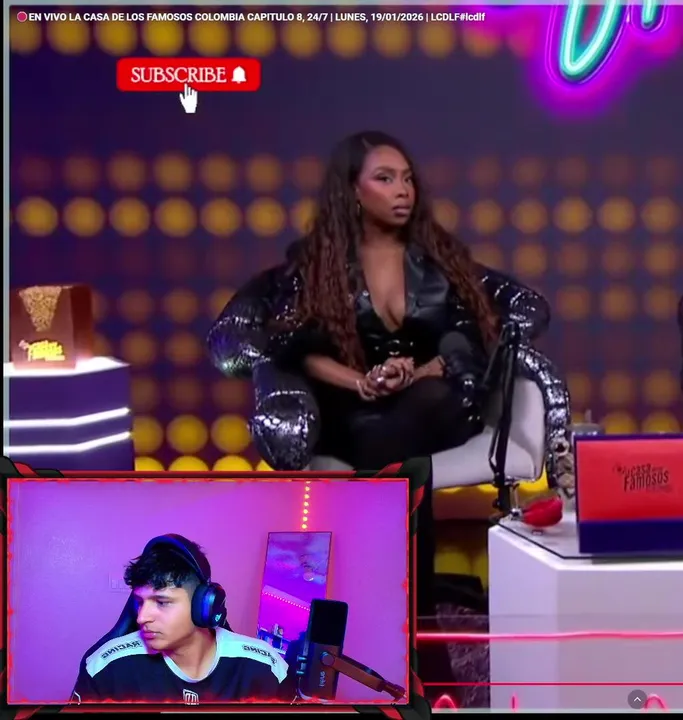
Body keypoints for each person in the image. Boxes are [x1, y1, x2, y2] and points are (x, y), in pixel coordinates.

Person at [268, 130, 499, 470]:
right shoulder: (318, 261)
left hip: (428, 400)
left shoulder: (440, 256)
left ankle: (378, 494)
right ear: (353, 190)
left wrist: (418, 373)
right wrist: (364, 383)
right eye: (385, 179)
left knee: (435, 400)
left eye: (407, 179)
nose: (403, 190)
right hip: (353, 407)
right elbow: (300, 350)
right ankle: (398, 496)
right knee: (374, 432)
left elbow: (466, 336)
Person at [71, 535, 289, 703]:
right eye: (140, 602)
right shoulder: (104, 669)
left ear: (203, 606)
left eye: (162, 602)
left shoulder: (268, 668)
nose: (142, 617)